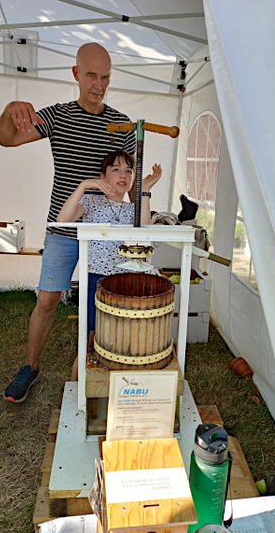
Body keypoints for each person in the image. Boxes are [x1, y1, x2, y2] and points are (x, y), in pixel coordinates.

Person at [0, 42, 136, 403]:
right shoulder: (57, 116)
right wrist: (10, 111)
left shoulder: (123, 125)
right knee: (47, 300)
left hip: (104, 235)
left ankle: (100, 368)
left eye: (105, 77)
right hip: (63, 228)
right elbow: (6, 139)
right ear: (76, 74)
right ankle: (30, 368)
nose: (99, 85)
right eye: (92, 75)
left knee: (107, 304)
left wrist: (139, 216)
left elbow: (130, 183)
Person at [57, 149, 162, 380]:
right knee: (90, 335)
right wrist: (84, 185)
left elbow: (145, 232)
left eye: (128, 171)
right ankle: (78, 387)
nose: (123, 175)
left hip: (124, 282)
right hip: (95, 280)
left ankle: (114, 385)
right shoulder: (91, 202)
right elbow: (63, 220)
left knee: (120, 336)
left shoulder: (133, 209)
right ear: (103, 176)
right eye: (116, 170)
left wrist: (145, 190)